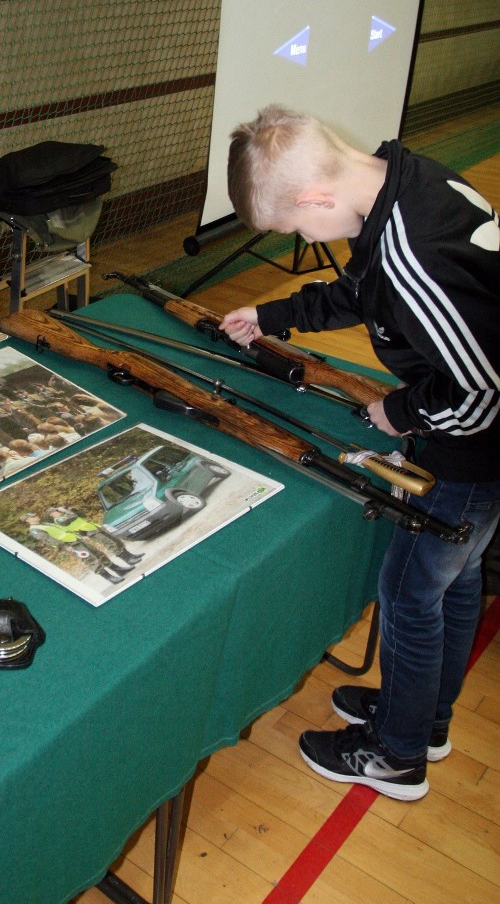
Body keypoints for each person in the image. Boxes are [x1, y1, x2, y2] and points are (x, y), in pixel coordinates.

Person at [220, 103, 499, 802]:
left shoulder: (413, 259)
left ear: (316, 197)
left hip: (473, 445)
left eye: (294, 229)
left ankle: (397, 756)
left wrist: (399, 410)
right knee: (457, 582)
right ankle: (425, 718)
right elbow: (362, 291)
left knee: (409, 594)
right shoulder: (400, 183)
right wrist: (277, 316)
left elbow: (481, 395)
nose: (303, 239)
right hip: (475, 440)